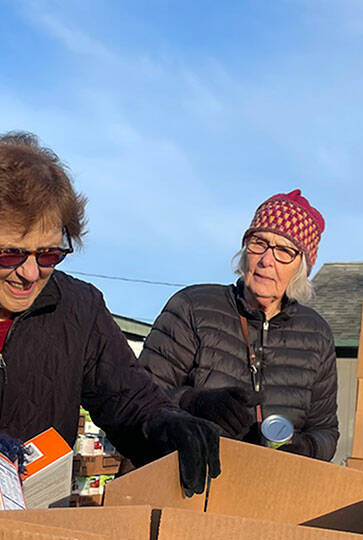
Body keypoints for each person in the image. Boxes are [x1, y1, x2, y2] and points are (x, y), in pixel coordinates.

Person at [0, 132, 220, 496]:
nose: (31, 273)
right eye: (10, 254)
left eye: (49, 254)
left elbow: (128, 399)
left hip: (36, 535)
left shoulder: (78, 309)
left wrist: (166, 425)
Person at [137, 190, 338, 460]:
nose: (267, 260)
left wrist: (307, 448)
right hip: (188, 480)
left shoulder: (317, 335)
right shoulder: (193, 308)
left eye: (284, 251)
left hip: (273, 488)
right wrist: (194, 403)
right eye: (259, 243)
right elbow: (137, 396)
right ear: (245, 250)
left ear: (302, 266)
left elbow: (325, 429)